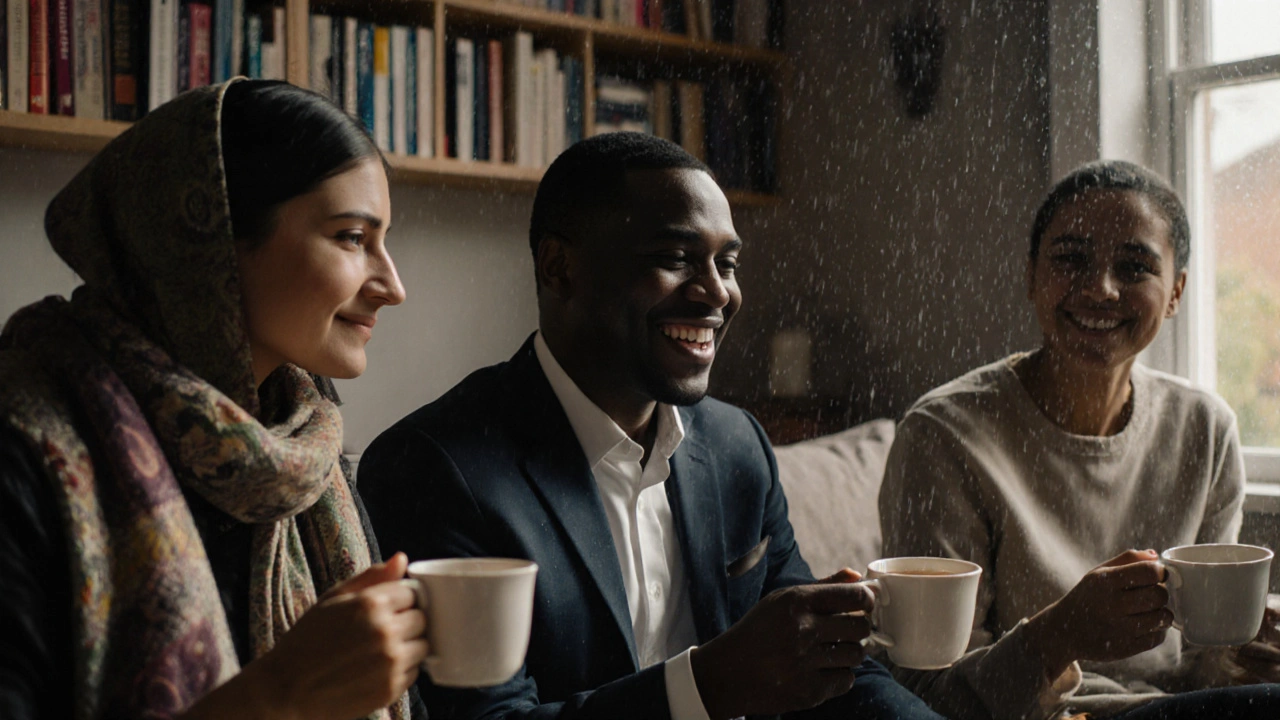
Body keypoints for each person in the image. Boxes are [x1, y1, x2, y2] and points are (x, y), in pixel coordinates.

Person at [358, 132, 942, 720]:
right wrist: (710, 683)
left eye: (727, 264)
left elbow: (826, 665)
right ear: (559, 268)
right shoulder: (432, 469)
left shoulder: (738, 446)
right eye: (675, 258)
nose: (717, 292)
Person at [0, 79, 427, 719]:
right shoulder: (24, 451)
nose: (393, 286)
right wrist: (283, 695)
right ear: (207, 242)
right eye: (350, 237)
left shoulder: (305, 448)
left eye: (383, 239)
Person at [879, 160, 1280, 720]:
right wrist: (1060, 634)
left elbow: (1202, 668)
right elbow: (924, 694)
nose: (1100, 289)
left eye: (1134, 267)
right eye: (1070, 259)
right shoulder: (945, 435)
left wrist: (1248, 661)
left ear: (1175, 293)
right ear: (1031, 277)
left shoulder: (1205, 430)